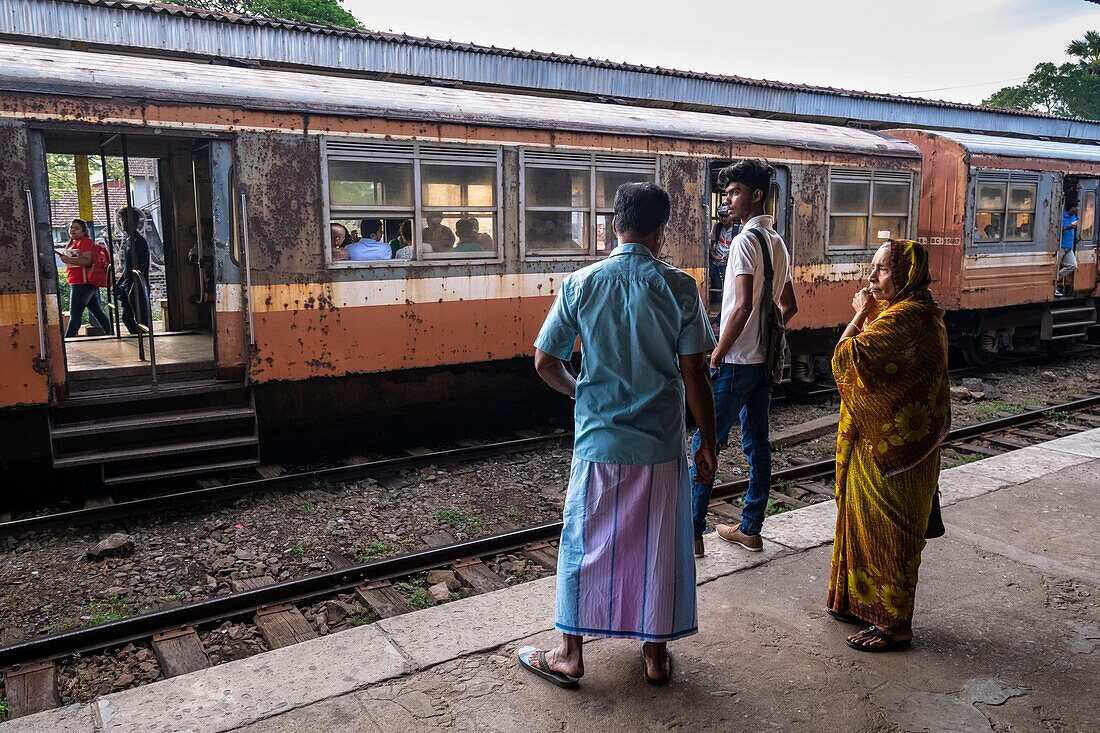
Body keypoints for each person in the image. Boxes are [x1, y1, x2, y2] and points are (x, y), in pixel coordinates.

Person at [519, 182, 717, 688]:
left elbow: (545, 361)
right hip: (660, 443)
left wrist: (578, 391)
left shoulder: (582, 283)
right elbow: (695, 370)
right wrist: (709, 441)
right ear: (661, 229)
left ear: (614, 224)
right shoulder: (680, 287)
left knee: (584, 544)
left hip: (599, 442)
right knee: (658, 545)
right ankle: (654, 655)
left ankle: (569, 656)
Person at [827, 239, 949, 653]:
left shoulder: (905, 319)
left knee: (889, 535)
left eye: (881, 269)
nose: (872, 276)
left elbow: (846, 358)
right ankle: (858, 603)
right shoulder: (912, 312)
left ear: (905, 274)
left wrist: (859, 313)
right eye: (873, 267)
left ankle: (894, 625)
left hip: (894, 455)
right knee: (863, 525)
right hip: (886, 445)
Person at [689, 159, 797, 557]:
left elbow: (741, 306)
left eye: (735, 192)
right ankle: (750, 528)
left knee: (706, 442)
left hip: (736, 363)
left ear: (756, 194)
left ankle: (692, 534)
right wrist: (763, 337)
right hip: (762, 363)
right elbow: (789, 305)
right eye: (727, 192)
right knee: (758, 444)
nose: (728, 199)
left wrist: (717, 354)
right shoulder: (777, 242)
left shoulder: (744, 241)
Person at [58, 219, 112, 338]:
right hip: (81, 281)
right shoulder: (73, 243)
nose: (72, 230)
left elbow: (88, 261)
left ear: (83, 231)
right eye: (71, 227)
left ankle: (68, 338)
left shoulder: (84, 242)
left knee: (75, 313)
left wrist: (68, 260)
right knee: (96, 310)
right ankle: (110, 331)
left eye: (76, 228)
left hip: (83, 282)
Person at [115, 206, 150, 335]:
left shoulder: (139, 242)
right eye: (122, 220)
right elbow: (128, 266)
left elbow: (140, 267)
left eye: (126, 220)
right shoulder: (128, 242)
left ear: (135, 223)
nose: (123, 223)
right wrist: (120, 282)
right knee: (127, 317)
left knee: (140, 317)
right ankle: (136, 336)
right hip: (128, 283)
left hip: (137, 285)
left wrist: (135, 287)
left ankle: (144, 340)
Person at [708, 205, 739, 304]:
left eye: (726, 215)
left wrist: (729, 256)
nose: (723, 218)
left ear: (731, 215)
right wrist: (713, 255)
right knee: (717, 286)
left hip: (728, 263)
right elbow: (712, 244)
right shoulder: (717, 227)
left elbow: (739, 249)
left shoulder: (738, 229)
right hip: (716, 262)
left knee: (727, 287)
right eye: (721, 216)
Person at [1056, 201, 1078, 297]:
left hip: (1069, 247)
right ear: (1072, 208)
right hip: (1061, 246)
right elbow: (1056, 229)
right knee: (1055, 267)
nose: (1078, 209)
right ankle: (1054, 287)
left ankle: (1055, 278)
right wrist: (1067, 228)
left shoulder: (1074, 217)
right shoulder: (1061, 216)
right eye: (1077, 207)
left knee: (1072, 265)